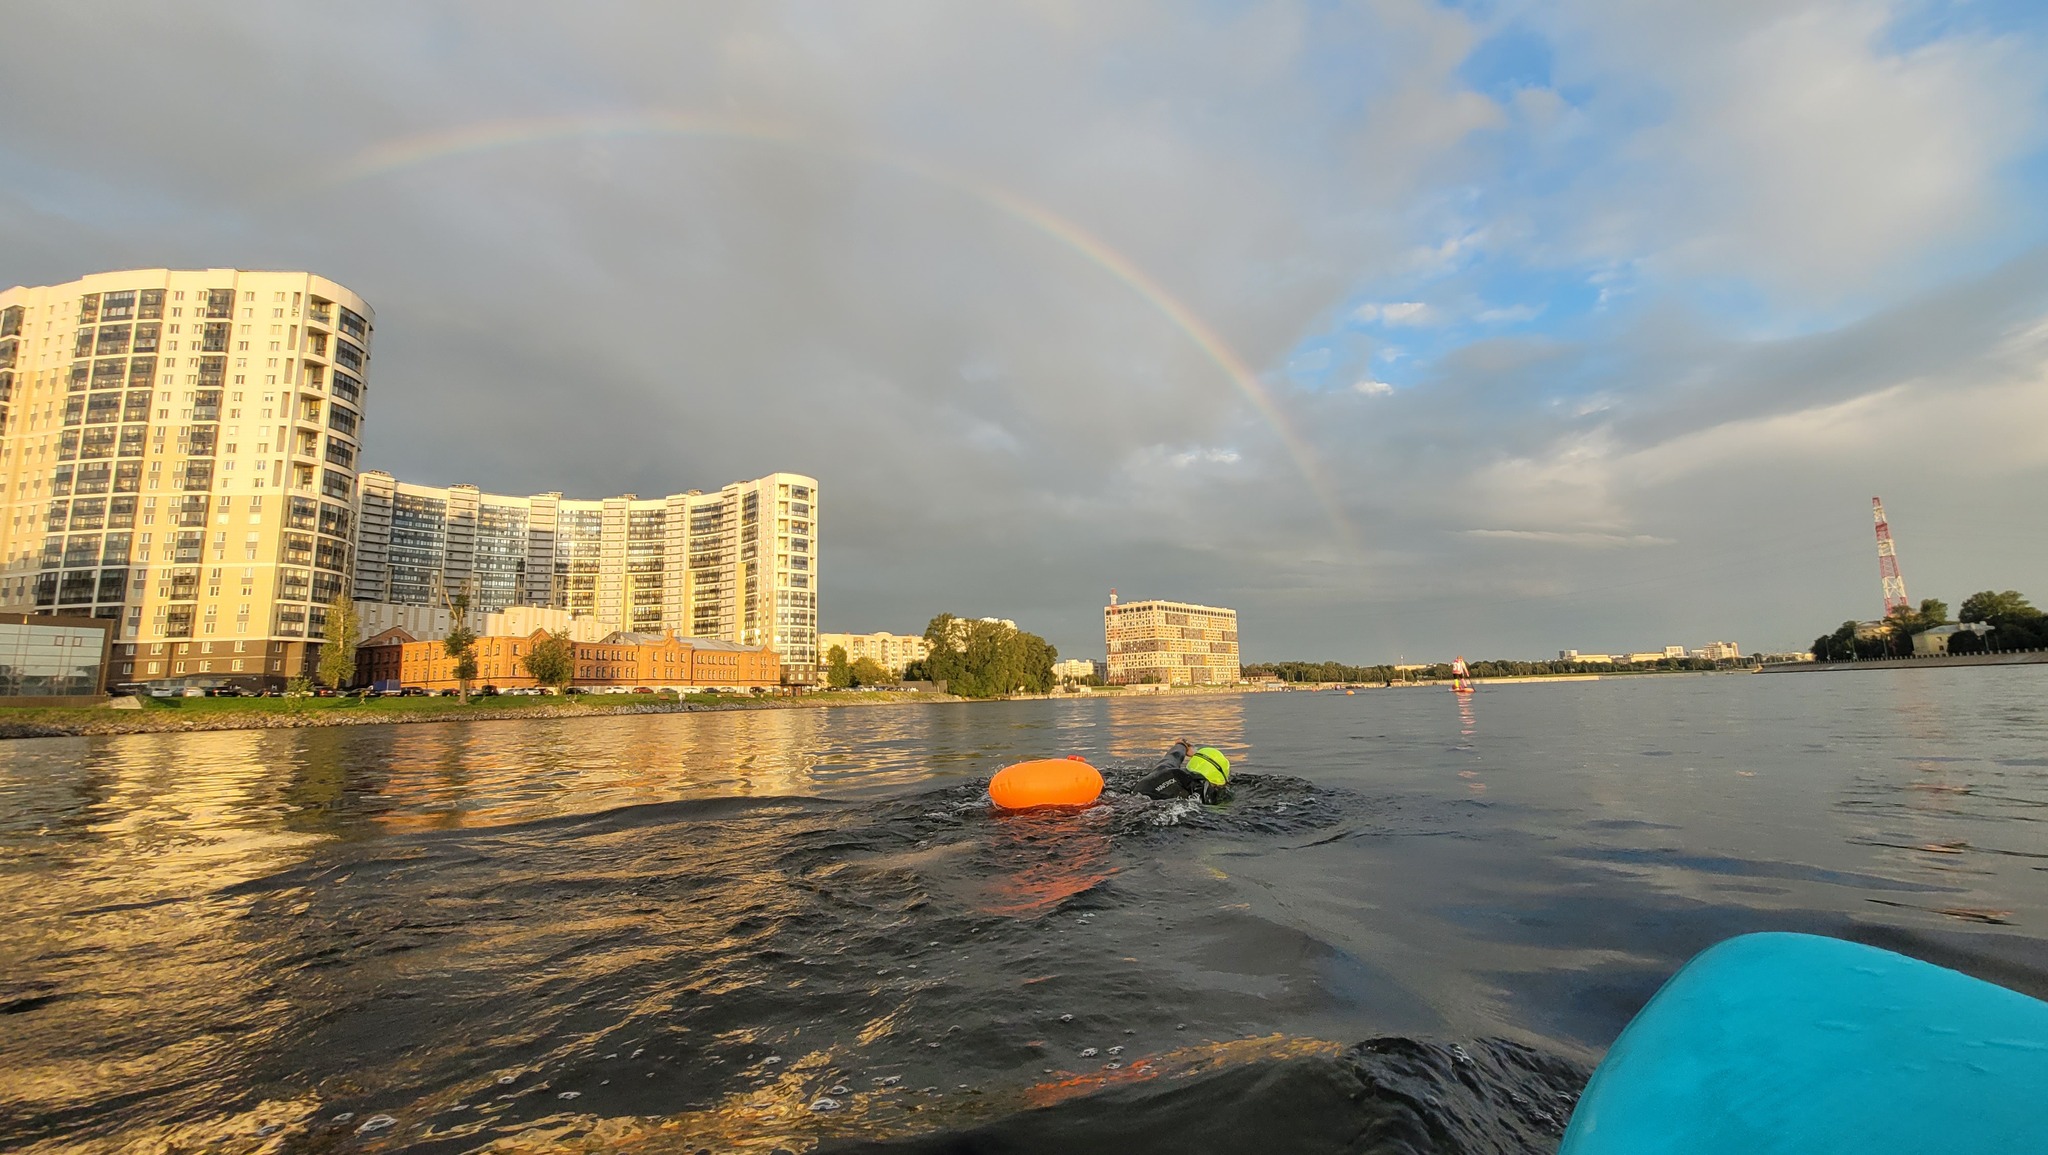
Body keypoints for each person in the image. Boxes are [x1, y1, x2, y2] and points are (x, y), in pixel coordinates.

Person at [1134, 738, 1231, 803]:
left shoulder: (1166, 767)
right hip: (1153, 808)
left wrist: (1182, 744)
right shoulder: (1202, 790)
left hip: (1133, 796)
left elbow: (1174, 755)